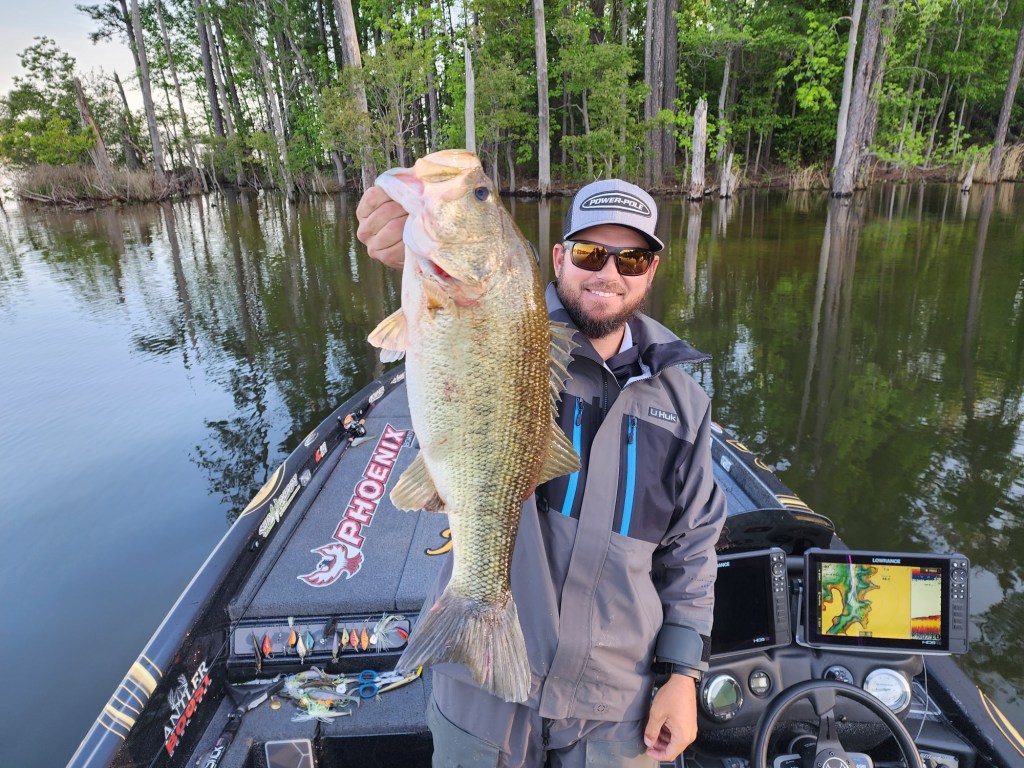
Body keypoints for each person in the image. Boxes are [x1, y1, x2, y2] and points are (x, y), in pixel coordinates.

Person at [357, 177, 727, 768]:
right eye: (589, 253)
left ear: (651, 271)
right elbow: (469, 306)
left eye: (630, 258)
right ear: (558, 259)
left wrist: (683, 673)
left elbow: (693, 546)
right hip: (484, 691)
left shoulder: (684, 405)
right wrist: (416, 250)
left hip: (617, 704)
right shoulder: (508, 328)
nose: (608, 272)